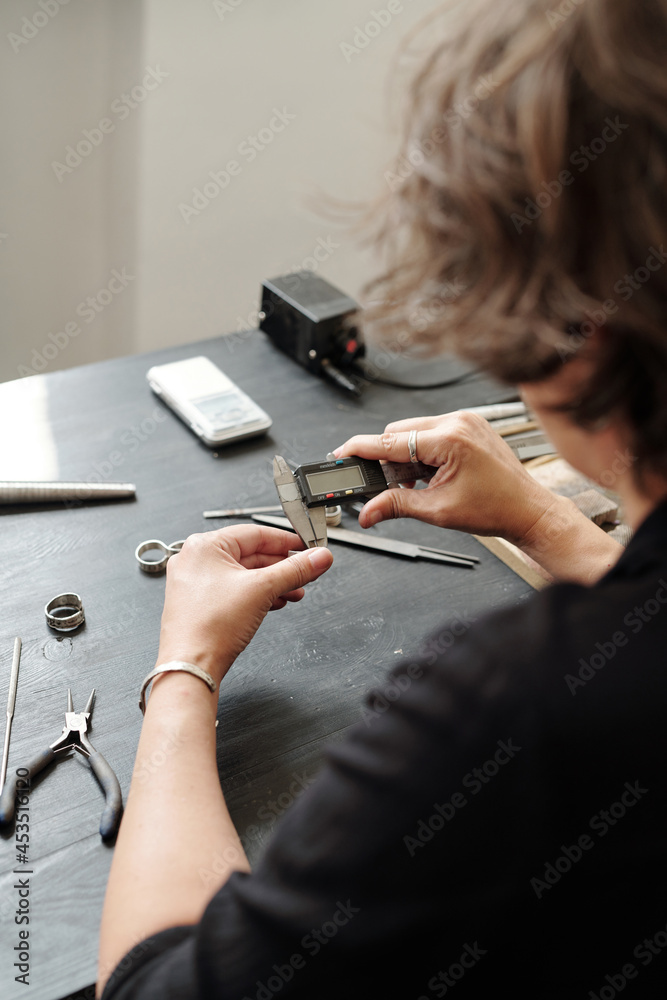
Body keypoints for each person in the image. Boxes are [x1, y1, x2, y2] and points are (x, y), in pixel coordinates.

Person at [97, 0, 667, 996]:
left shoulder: (506, 713)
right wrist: (544, 521)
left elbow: (154, 987)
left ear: (554, 327)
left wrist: (182, 671)